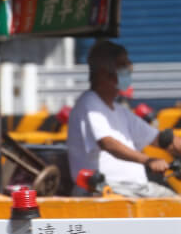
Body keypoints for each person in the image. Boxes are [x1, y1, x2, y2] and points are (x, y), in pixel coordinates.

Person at [67, 40, 181, 197]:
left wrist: (172, 143)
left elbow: (160, 139)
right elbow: (108, 143)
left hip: (135, 189)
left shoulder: (120, 111)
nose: (129, 69)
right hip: (108, 188)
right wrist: (148, 161)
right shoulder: (89, 104)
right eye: (122, 66)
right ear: (102, 73)